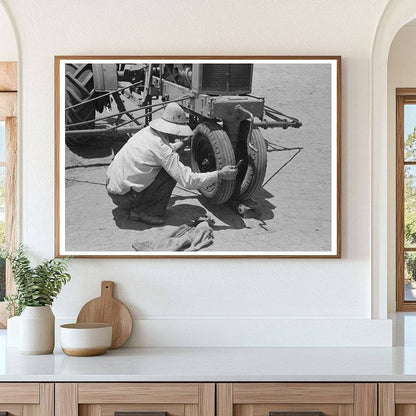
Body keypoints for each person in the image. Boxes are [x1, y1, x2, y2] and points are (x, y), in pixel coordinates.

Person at [106, 103, 237, 225]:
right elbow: (188, 181)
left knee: (166, 166)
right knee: (170, 174)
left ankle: (139, 206)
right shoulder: (162, 149)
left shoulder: (147, 132)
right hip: (125, 198)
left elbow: (160, 151)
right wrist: (220, 174)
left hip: (113, 188)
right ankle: (143, 212)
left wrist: (182, 143)